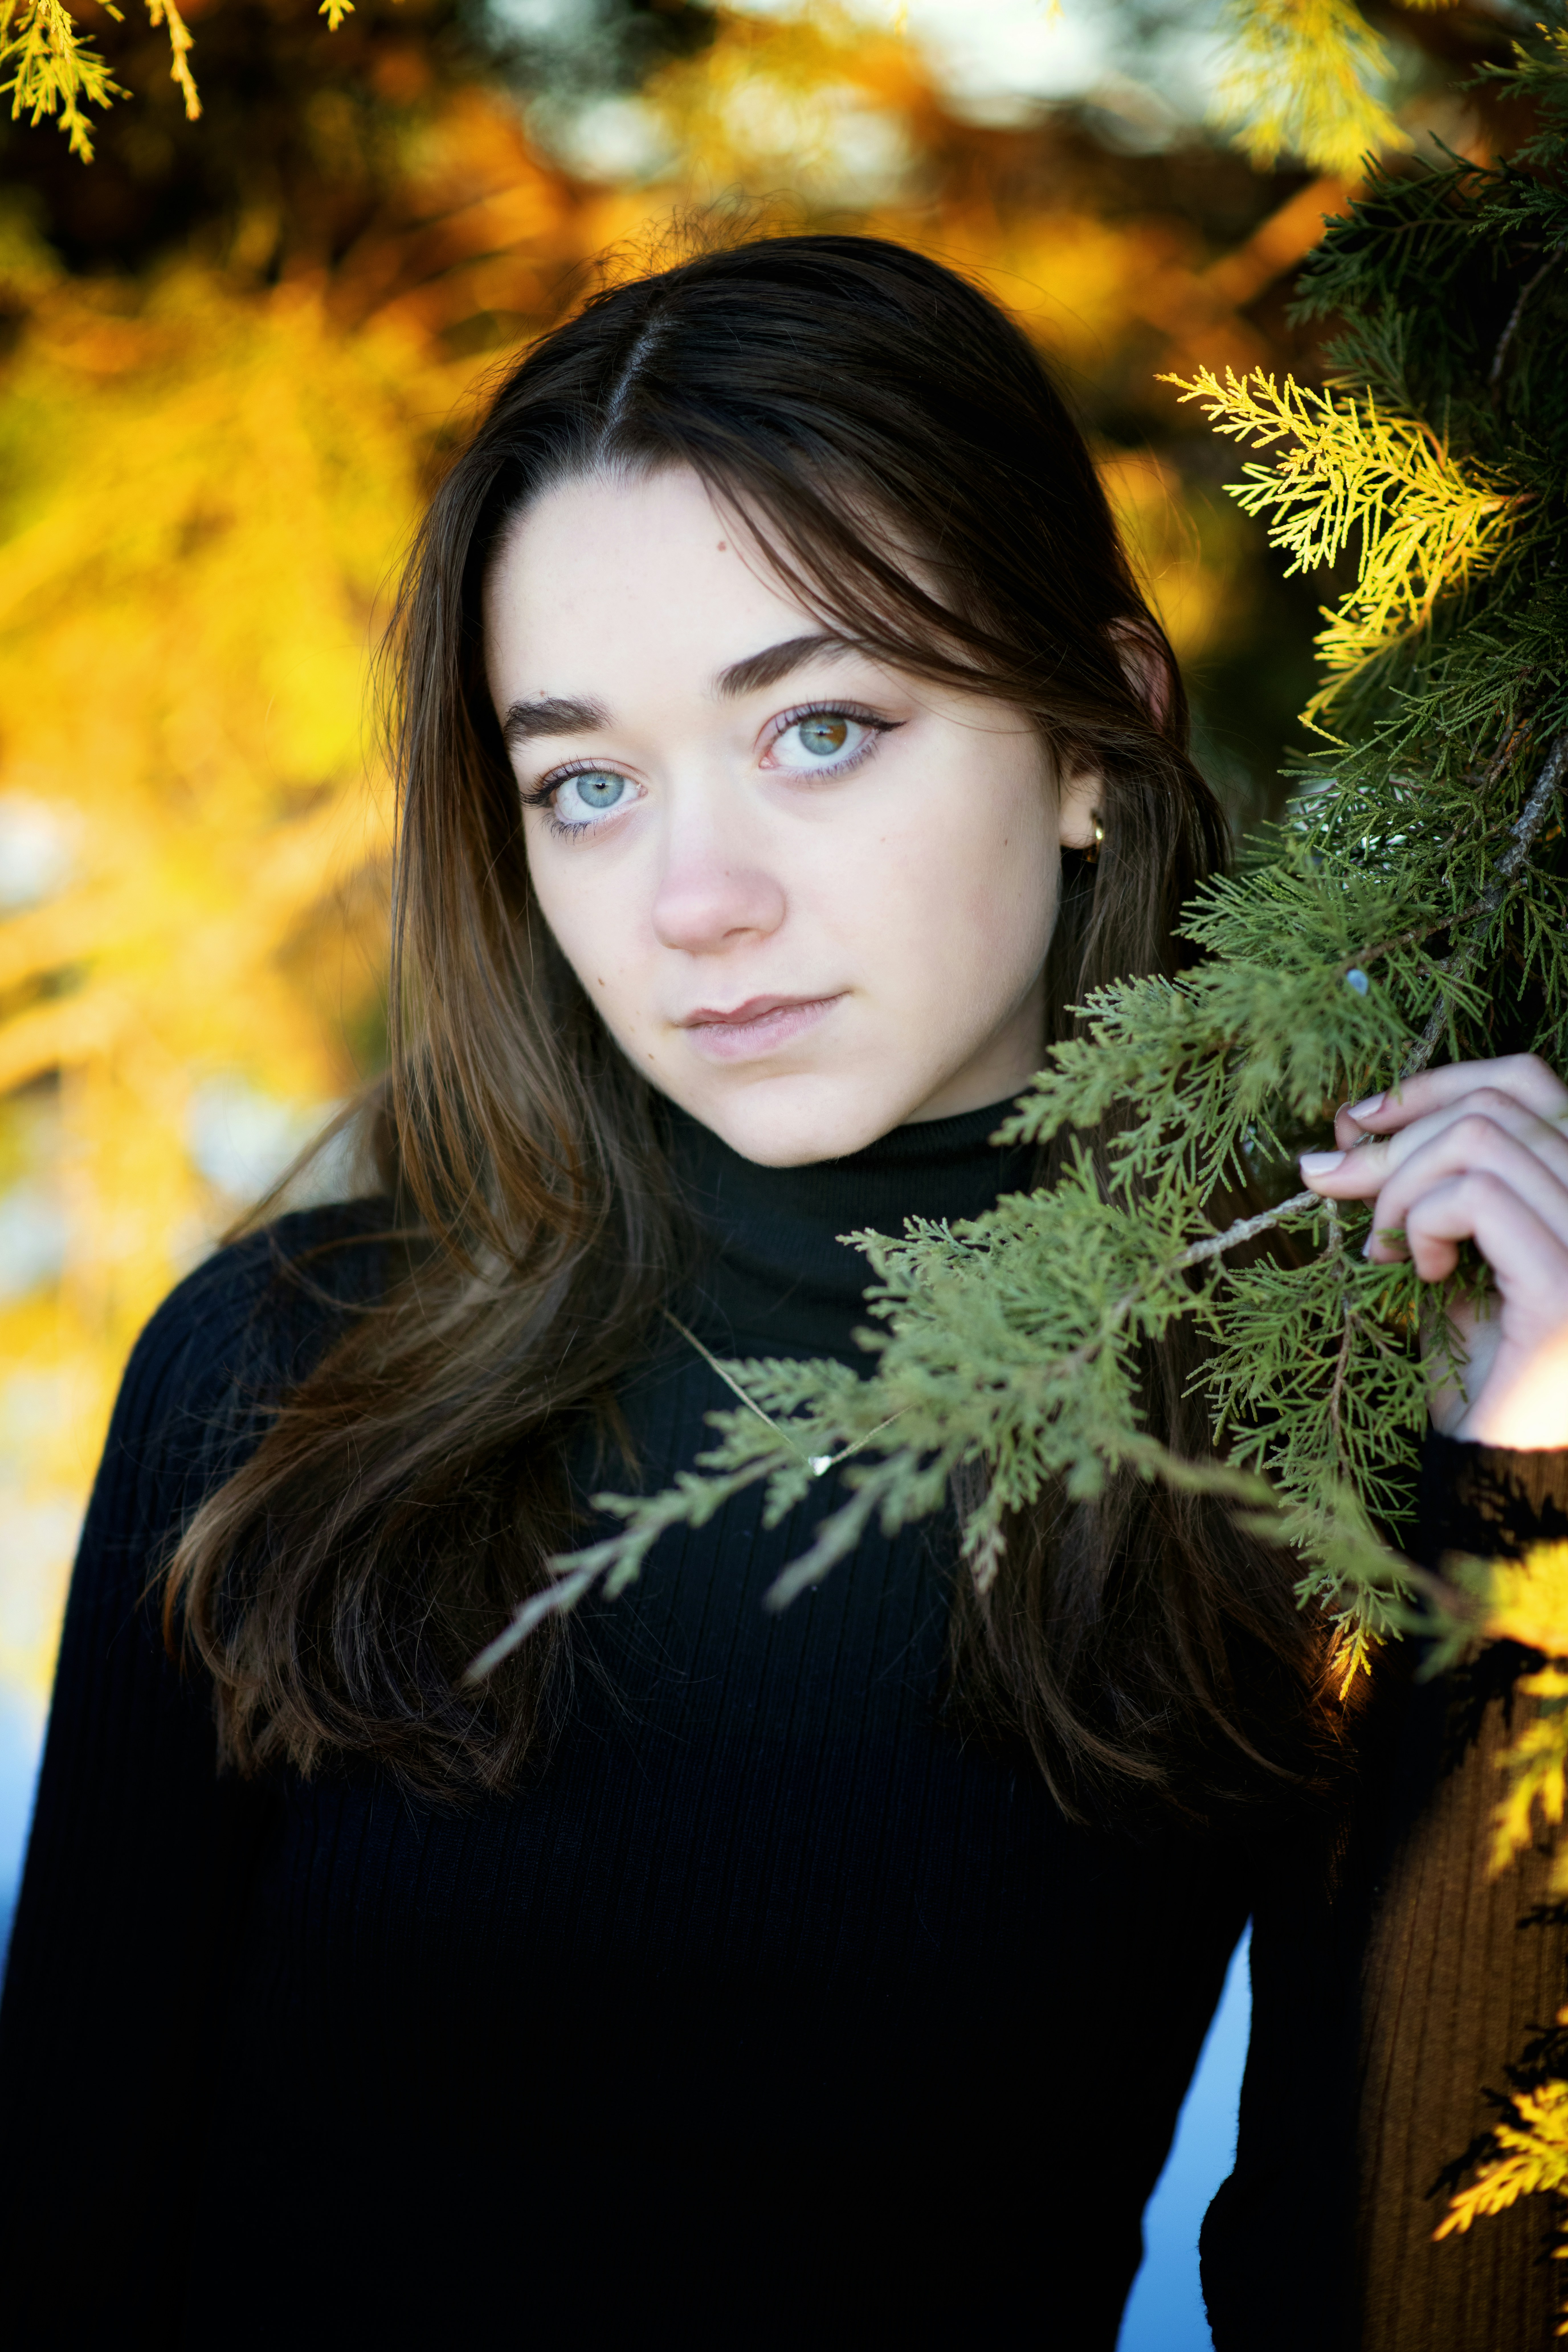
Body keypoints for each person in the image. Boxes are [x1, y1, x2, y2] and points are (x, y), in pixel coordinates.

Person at [1, 234, 1565, 2351]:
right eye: (588, 785)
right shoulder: (295, 1365)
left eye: (822, 728)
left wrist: (1530, 1487)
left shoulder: (1312, 1417)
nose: (697, 905)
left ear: (1098, 731)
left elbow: (1420, 2302)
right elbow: (62, 2225)